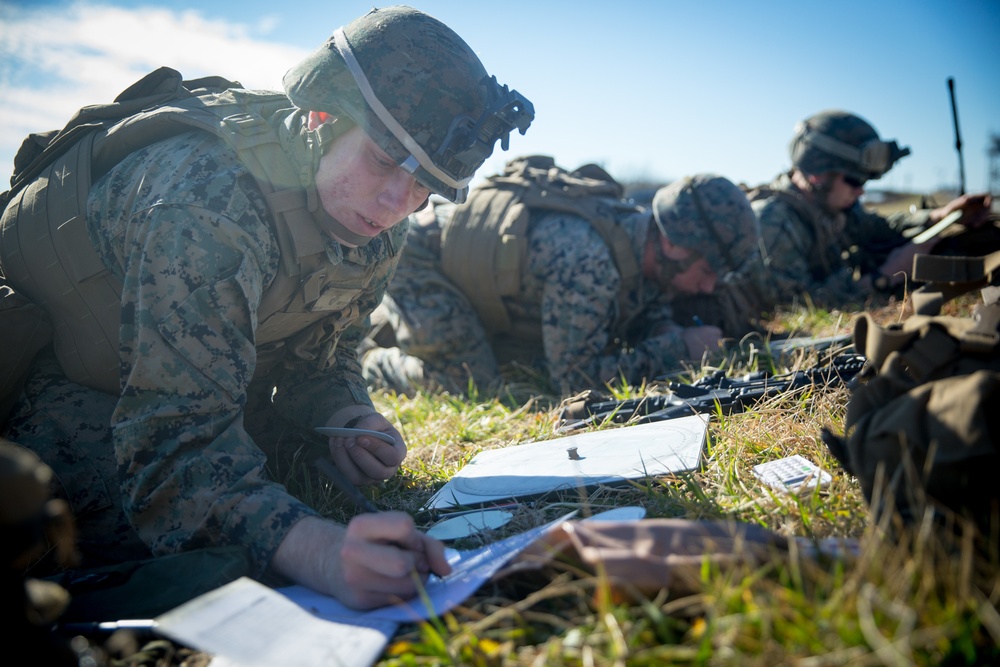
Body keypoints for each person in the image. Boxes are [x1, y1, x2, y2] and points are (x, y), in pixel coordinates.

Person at [0, 6, 533, 610]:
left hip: (179, 383)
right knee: (141, 541)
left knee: (289, 470)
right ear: (321, 116)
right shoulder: (207, 201)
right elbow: (173, 447)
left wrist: (349, 414)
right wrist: (318, 552)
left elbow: (323, 354)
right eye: (384, 160)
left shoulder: (375, 219)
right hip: (52, 375)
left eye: (424, 187)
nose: (395, 201)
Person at [361, 158, 760, 396]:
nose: (709, 286)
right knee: (472, 382)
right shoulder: (589, 262)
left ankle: (406, 331)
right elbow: (575, 379)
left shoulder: (640, 242)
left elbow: (643, 307)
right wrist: (680, 348)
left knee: (507, 359)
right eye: (706, 270)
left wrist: (663, 331)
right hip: (421, 258)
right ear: (673, 244)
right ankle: (372, 362)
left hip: (479, 276)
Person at [750, 109, 996, 308]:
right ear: (817, 174)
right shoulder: (774, 222)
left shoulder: (834, 207)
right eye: (854, 181)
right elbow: (793, 305)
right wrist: (886, 274)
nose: (860, 191)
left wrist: (940, 216)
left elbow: (880, 228)